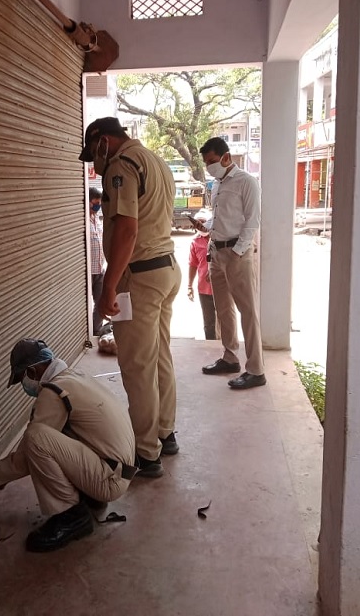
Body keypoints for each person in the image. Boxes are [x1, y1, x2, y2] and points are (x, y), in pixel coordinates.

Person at [0, 338, 137, 552]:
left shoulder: (53, 392)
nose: (24, 385)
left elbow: (25, 458)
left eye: (22, 378)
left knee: (36, 438)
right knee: (57, 433)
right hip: (119, 470)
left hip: (109, 480)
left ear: (32, 371)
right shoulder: (74, 376)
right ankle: (91, 496)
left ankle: (71, 517)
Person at [78, 116, 181, 477]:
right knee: (159, 356)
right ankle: (165, 433)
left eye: (94, 154)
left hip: (138, 276)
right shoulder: (155, 160)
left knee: (137, 366)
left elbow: (126, 230)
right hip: (165, 269)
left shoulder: (122, 164)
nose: (95, 164)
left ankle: (146, 452)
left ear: (103, 141)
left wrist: (109, 286)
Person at [198, 136, 265, 389]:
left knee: (248, 311)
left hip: (237, 253)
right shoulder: (217, 184)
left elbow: (252, 220)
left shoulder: (247, 181)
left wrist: (237, 252)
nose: (209, 167)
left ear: (226, 157)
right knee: (223, 309)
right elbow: (220, 218)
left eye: (212, 161)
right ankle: (229, 358)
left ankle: (256, 370)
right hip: (216, 252)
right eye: (206, 163)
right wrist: (205, 226)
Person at [185, 208, 218, 341]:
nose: (199, 226)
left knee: (224, 320)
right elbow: (193, 264)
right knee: (209, 324)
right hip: (204, 289)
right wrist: (189, 286)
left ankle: (225, 346)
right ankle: (211, 346)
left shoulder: (219, 238)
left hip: (221, 286)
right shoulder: (195, 242)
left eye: (203, 222)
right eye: (197, 223)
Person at [88, 187, 106, 336]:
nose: (98, 206)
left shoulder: (97, 218)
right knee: (84, 305)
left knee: (101, 302)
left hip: (100, 268)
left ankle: (96, 330)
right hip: (87, 271)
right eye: (96, 202)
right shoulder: (82, 220)